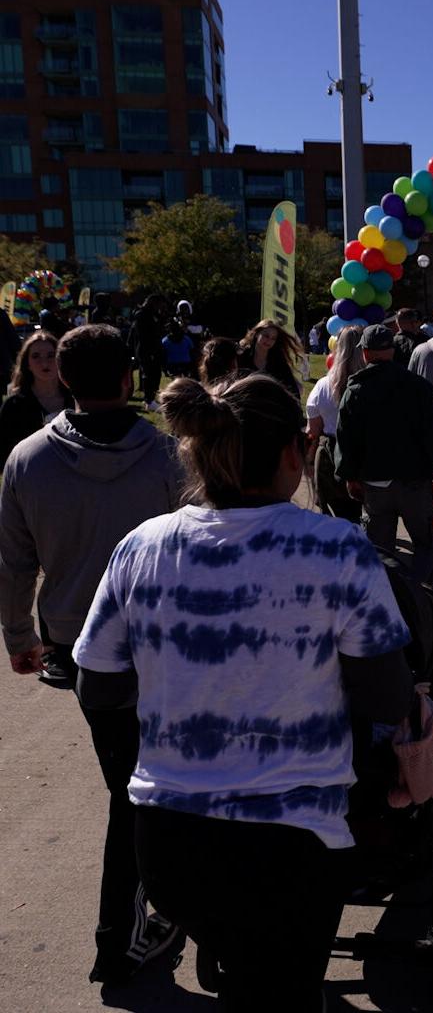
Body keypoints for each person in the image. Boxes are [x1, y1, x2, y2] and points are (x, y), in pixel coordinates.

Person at [74, 372, 413, 1013]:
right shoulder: (336, 547)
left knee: (246, 973)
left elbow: (101, 684)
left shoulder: (141, 547)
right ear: (293, 452)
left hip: (169, 844)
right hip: (291, 847)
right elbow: (387, 699)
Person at [0, 325, 185, 985]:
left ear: (65, 379)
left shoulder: (26, 461)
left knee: (136, 783)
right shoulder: (167, 457)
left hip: (78, 648)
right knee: (139, 789)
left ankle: (146, 914)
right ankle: (120, 937)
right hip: (161, 647)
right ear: (131, 379)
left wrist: (20, 638)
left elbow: (15, 563)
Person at [335, 324, 433, 582]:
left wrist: (349, 476)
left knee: (379, 552)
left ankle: (389, 598)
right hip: (415, 483)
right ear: (393, 351)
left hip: (375, 485)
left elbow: (346, 439)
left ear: (365, 353)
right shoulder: (419, 388)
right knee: (426, 544)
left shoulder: (355, 390)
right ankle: (420, 594)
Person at [306, 326, 365, 524]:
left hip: (331, 454)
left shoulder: (323, 385)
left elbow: (313, 430)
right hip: (366, 453)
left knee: (336, 516)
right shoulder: (371, 384)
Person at [0, 332, 73, 467]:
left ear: (60, 359)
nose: (44, 362)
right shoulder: (14, 406)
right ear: (27, 364)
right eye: (36, 356)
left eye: (51, 355)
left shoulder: (77, 401)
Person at [236, 319, 302, 397]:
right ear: (257, 334)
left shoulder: (278, 361)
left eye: (273, 338)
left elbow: (293, 390)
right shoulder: (242, 356)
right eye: (266, 336)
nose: (269, 340)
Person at [129, 294, 167, 411]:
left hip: (154, 348)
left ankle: (151, 398)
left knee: (156, 374)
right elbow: (142, 335)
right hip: (146, 349)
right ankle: (149, 400)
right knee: (149, 374)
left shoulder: (153, 315)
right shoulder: (141, 315)